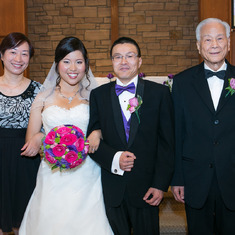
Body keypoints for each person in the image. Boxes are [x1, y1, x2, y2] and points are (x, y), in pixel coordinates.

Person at [19, 36, 113, 235]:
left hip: (88, 173)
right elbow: (31, 140)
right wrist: (41, 137)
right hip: (52, 173)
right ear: (57, 64)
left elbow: (110, 130)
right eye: (66, 61)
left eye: (79, 62)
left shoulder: (95, 96)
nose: (73, 68)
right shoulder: (43, 97)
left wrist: (97, 132)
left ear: (86, 65)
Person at [87, 36, 174, 235]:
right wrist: (115, 158)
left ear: (139, 61)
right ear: (112, 61)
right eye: (117, 57)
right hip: (112, 187)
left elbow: (167, 143)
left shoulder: (159, 94)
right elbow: (91, 142)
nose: (123, 62)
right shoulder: (98, 95)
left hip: (147, 188)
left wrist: (160, 185)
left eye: (129, 56)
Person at [171, 18, 235, 235]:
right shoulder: (181, 82)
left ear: (228, 43)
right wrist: (177, 178)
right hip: (195, 177)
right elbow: (177, 133)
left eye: (219, 38)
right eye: (207, 39)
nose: (214, 44)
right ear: (199, 46)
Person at [0, 32, 41, 235]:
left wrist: (39, 137)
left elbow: (48, 127)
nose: (18, 59)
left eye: (24, 54)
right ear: (2, 55)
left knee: (25, 222)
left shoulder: (39, 90)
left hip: (26, 159)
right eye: (13, 52)